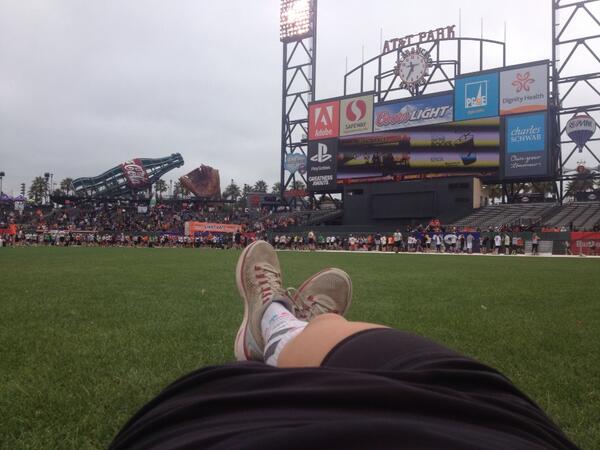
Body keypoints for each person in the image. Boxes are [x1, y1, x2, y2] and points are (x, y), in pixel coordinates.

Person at [111, 241, 577, 450]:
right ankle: (294, 328)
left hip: (204, 431)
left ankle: (275, 321)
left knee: (433, 377)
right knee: (463, 380)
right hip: (508, 435)